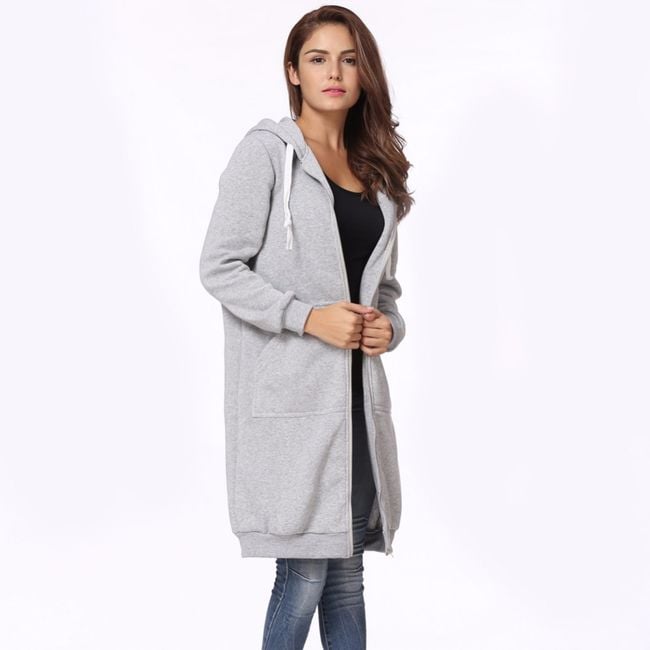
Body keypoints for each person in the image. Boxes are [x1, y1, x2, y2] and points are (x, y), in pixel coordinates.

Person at [199, 5, 413, 648]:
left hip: (356, 409)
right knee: (304, 576)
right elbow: (219, 267)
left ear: (364, 72)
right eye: (318, 59)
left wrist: (389, 328)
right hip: (292, 410)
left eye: (348, 59)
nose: (334, 73)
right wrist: (308, 317)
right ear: (293, 72)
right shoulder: (266, 154)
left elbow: (385, 291)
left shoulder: (374, 172)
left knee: (347, 579)